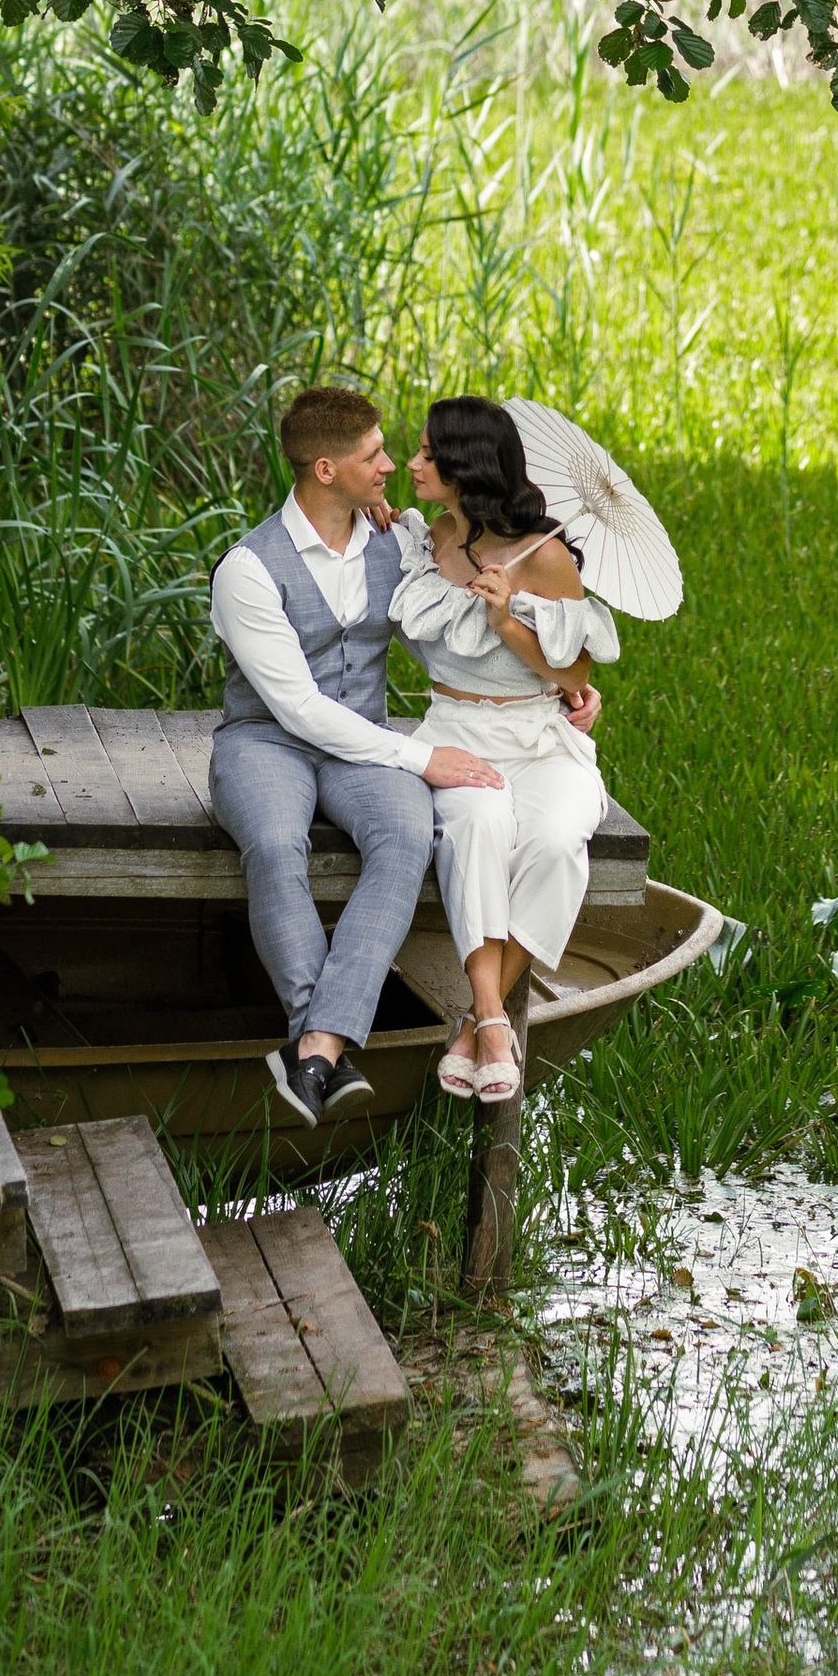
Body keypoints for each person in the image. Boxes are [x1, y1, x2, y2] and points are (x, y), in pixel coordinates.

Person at [208, 383, 506, 1130]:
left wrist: (558, 682)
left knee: (408, 836)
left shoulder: (394, 541)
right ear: (325, 470)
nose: (390, 465)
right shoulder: (246, 569)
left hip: (360, 744)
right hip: (265, 742)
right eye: (373, 454)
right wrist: (419, 756)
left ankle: (313, 1048)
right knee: (277, 845)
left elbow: (445, 638)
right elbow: (299, 709)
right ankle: (328, 1046)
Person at [389, 395, 617, 1107]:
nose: (415, 465)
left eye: (429, 455)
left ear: (466, 468)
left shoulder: (546, 557)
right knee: (477, 826)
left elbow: (576, 675)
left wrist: (507, 620)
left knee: (555, 842)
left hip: (540, 739)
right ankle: (491, 1020)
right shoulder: (428, 539)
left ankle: (473, 1024)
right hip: (455, 733)